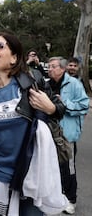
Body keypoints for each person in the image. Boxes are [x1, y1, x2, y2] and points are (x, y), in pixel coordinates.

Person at [0, 32, 67, 216]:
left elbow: (60, 110)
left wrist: (51, 109)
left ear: (14, 58)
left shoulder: (32, 82)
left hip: (31, 175)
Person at [47, 56, 89, 214]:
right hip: (49, 133)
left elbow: (84, 105)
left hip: (67, 136)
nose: (50, 69)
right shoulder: (46, 84)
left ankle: (71, 200)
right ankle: (55, 197)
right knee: (51, 166)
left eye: (53, 66)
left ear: (62, 68)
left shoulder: (74, 84)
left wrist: (64, 103)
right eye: (49, 66)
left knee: (68, 169)